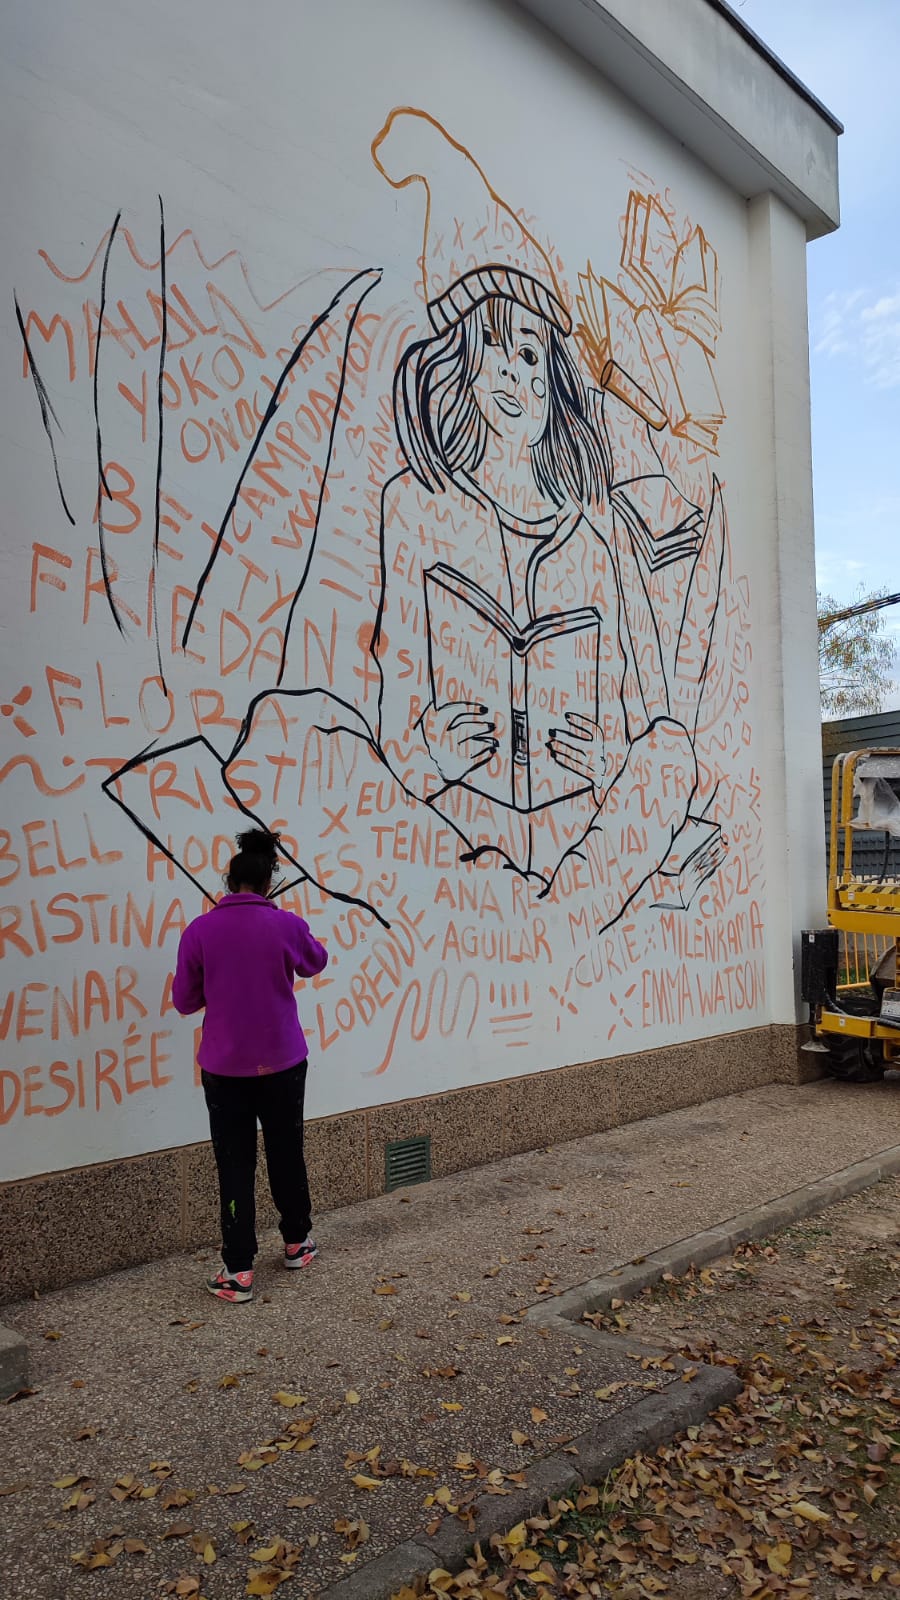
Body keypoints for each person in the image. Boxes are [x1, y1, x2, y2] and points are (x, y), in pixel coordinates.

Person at [172, 827, 329, 1302]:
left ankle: (238, 1270)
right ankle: (297, 1243)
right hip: (283, 1061)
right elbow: (315, 962)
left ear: (229, 881)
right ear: (268, 883)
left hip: (225, 1068)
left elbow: (184, 1001)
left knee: (234, 1162)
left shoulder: (200, 930)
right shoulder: (286, 924)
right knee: (287, 1150)